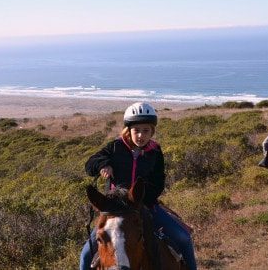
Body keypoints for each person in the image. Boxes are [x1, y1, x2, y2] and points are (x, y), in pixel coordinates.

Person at [80, 102, 197, 270]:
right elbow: (90, 164)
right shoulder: (115, 147)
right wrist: (103, 164)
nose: (141, 135)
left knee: (184, 238)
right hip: (115, 210)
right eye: (137, 130)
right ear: (129, 130)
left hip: (145, 205)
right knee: (85, 255)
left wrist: (141, 199)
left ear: (152, 131)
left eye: (146, 130)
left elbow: (158, 182)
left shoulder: (155, 151)